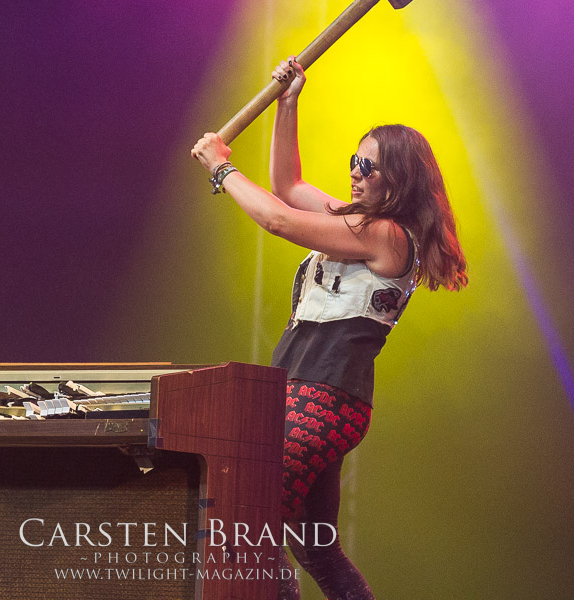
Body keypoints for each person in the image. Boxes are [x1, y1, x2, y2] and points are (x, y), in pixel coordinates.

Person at [191, 57, 468, 600]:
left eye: (369, 167)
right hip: (303, 391)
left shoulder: (386, 235)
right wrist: (288, 103)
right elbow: (288, 187)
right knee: (314, 545)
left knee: (252, 520)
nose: (355, 173)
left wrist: (222, 169)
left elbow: (278, 219)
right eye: (354, 161)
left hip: (324, 396)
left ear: (399, 179)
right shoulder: (356, 221)